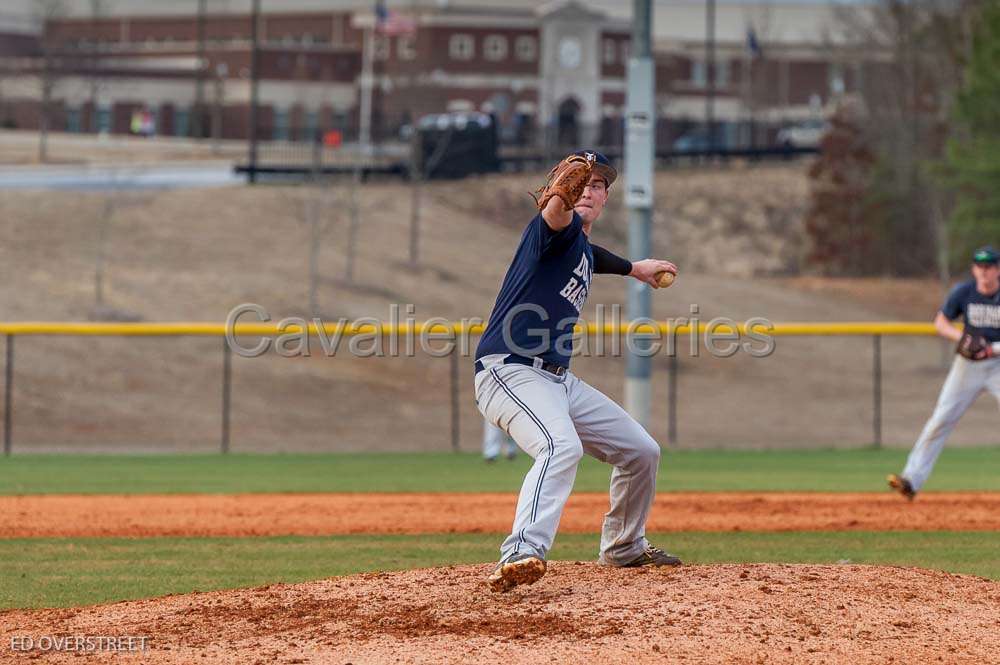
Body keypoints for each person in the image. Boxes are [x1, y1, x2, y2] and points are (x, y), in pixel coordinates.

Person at [473, 150, 680, 593]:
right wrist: (557, 199)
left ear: (606, 199)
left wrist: (635, 269)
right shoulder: (547, 231)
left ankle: (624, 546)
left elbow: (593, 254)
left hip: (556, 380)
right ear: (561, 188)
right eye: (581, 181)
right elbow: (555, 218)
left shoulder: (580, 248)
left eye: (599, 184)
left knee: (642, 451)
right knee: (559, 446)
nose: (589, 188)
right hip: (508, 370)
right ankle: (521, 552)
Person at [888, 246, 1000, 500]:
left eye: (990, 266)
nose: (984, 271)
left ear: (998, 270)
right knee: (941, 419)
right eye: (980, 266)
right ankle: (911, 480)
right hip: (967, 365)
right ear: (974, 269)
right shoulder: (964, 292)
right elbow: (940, 322)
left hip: (998, 364)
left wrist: (992, 348)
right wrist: (964, 338)